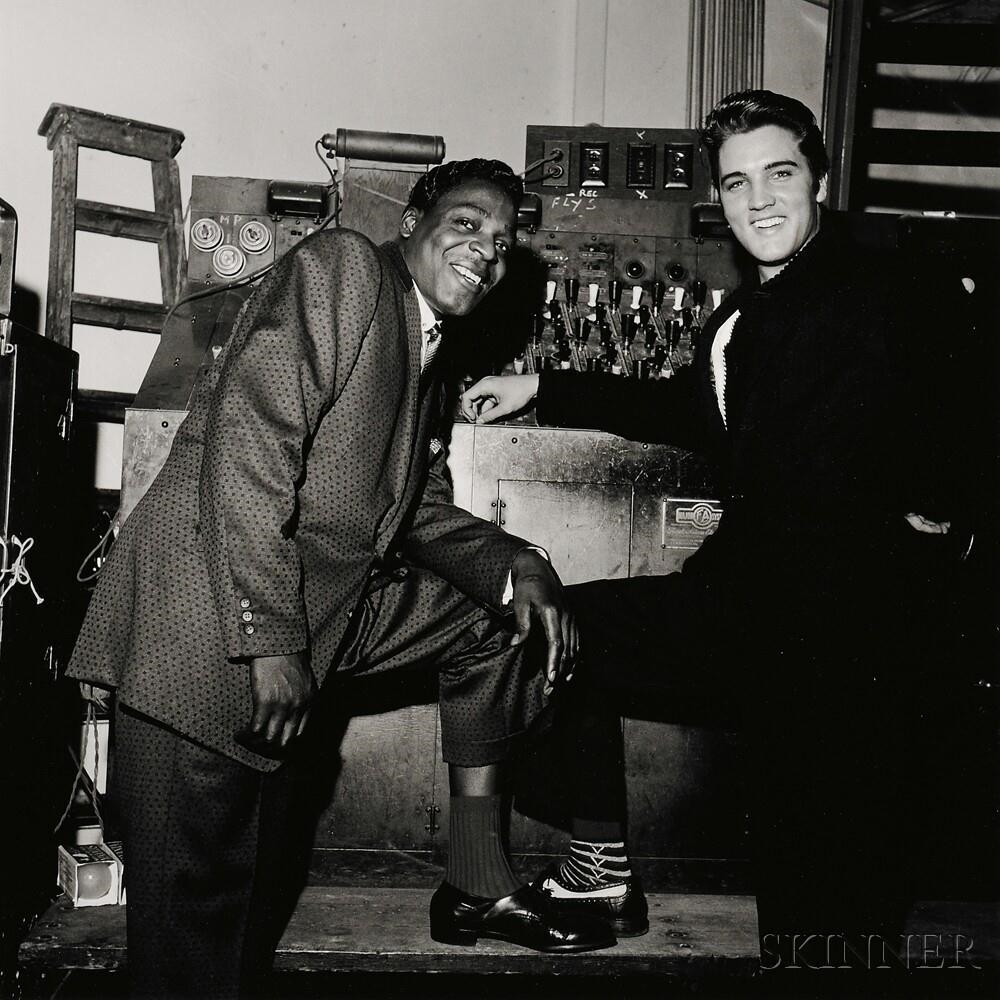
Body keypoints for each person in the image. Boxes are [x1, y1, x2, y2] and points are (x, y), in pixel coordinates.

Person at [67, 158, 620, 999]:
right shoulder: (346, 268)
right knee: (191, 950)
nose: (486, 250)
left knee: (499, 620)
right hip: (207, 627)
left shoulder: (432, 357)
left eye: (503, 241)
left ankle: (476, 877)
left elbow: (421, 515)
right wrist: (269, 638)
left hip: (314, 614)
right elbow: (252, 438)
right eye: (467, 223)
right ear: (413, 222)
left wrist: (521, 564)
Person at [462, 92, 973, 973]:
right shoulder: (742, 313)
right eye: (737, 183)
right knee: (553, 634)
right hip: (745, 605)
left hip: (847, 641)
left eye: (779, 174)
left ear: (820, 177)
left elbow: (965, 422)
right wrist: (544, 387)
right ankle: (598, 870)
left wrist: (947, 522)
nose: (760, 200)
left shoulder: (891, 290)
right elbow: (698, 415)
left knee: (827, 906)